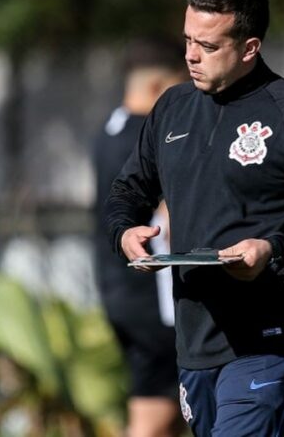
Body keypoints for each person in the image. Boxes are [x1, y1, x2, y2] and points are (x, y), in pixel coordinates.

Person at [104, 0, 284, 436]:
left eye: (207, 45)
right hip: (195, 337)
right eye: (187, 40)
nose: (189, 55)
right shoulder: (171, 107)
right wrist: (125, 231)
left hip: (269, 334)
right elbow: (129, 190)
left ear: (249, 48)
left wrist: (275, 250)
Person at [93, 37, 186, 437]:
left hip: (121, 294)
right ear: (156, 88)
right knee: (157, 418)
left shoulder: (110, 131)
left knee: (161, 411)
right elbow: (169, 214)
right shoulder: (148, 140)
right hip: (154, 300)